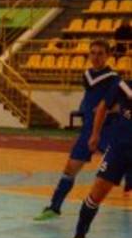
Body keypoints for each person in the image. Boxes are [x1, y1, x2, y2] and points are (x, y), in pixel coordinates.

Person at [35, 40, 119, 220]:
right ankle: (54, 207)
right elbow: (90, 96)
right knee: (70, 168)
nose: (96, 57)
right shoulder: (87, 75)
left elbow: (120, 103)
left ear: (108, 55)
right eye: (93, 53)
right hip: (88, 130)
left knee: (120, 167)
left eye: (100, 53)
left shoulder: (113, 78)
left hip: (107, 130)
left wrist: (108, 110)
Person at [67, 75, 132, 238]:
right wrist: (95, 134)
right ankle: (79, 237)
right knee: (97, 194)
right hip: (119, 148)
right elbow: (102, 106)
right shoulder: (123, 85)